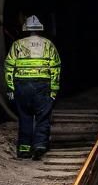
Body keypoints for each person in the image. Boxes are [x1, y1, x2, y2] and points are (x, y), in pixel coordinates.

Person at [4, 15, 61, 160]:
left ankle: (24, 149)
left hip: (22, 85)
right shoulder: (48, 45)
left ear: (26, 30)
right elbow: (55, 68)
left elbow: (9, 66)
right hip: (42, 85)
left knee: (25, 117)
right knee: (43, 116)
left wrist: (10, 88)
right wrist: (54, 90)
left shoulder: (17, 45)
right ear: (40, 30)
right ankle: (40, 145)